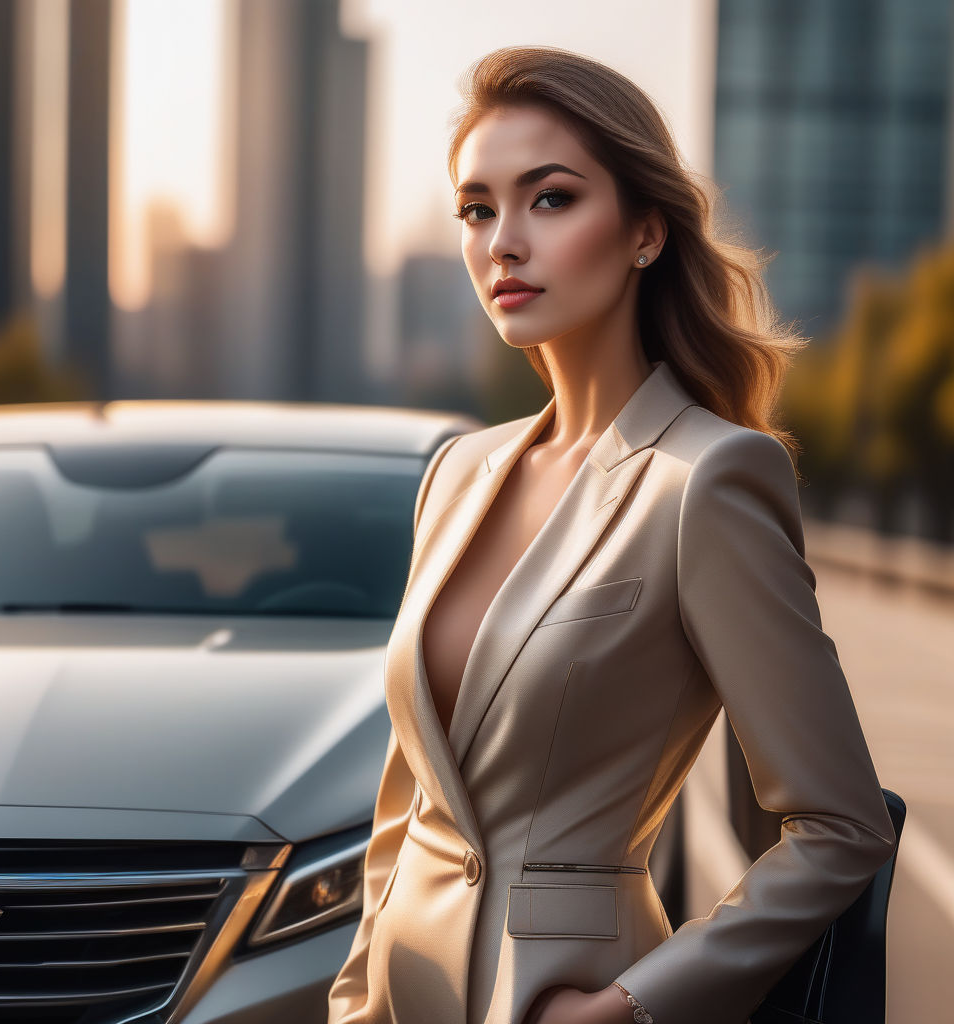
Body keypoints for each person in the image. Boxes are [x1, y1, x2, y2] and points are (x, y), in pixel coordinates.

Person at [326, 45, 896, 1024]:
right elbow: (411, 802)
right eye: (476, 209)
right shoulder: (457, 472)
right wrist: (351, 995)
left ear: (642, 233)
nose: (503, 241)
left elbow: (839, 825)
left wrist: (630, 1006)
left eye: (548, 199)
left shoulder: (711, 478)